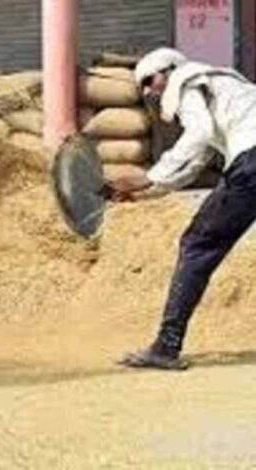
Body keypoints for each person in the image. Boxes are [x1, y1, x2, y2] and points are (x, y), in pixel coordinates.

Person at [107, 48, 256, 370]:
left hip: (252, 163)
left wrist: (149, 176)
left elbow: (198, 134)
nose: (149, 92)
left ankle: (166, 345)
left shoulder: (187, 81)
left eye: (150, 81)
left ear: (169, 71)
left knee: (197, 244)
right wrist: (147, 193)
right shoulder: (224, 87)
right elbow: (195, 163)